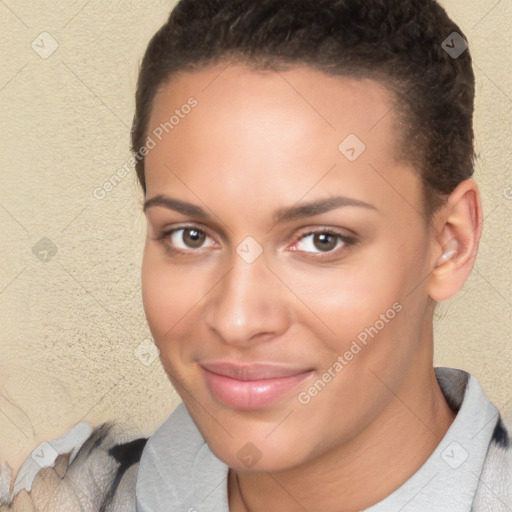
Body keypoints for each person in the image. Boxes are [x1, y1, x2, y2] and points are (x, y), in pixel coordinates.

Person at [1, 0, 510, 511]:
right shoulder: (59, 497)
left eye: (321, 240)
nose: (237, 319)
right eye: (191, 236)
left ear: (450, 243)